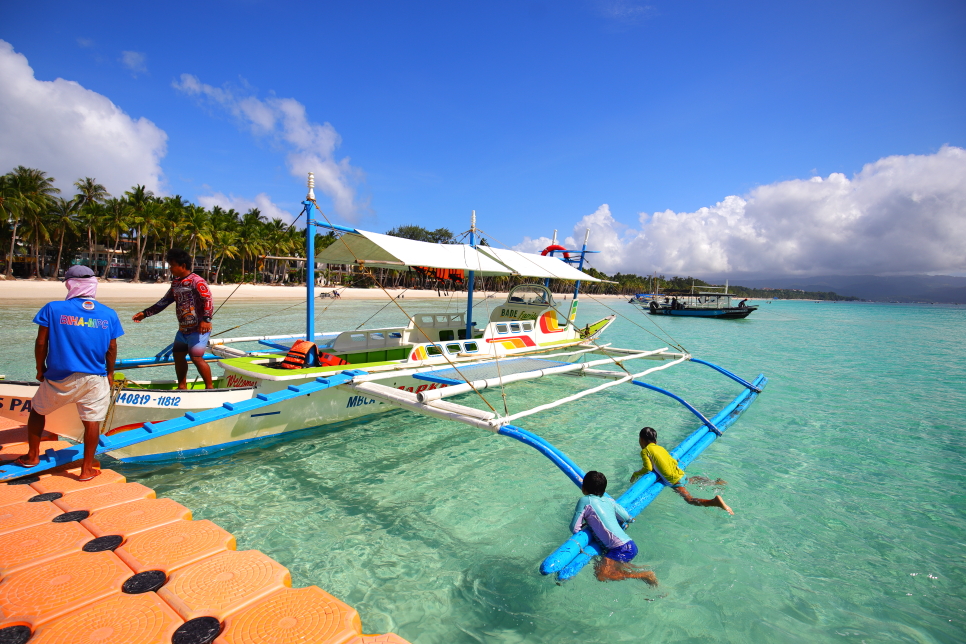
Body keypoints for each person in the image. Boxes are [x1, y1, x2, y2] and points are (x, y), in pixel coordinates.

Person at [15, 265, 124, 481]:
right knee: (91, 421)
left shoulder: (53, 309)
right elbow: (111, 348)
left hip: (59, 377)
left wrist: (40, 369)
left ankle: (32, 456)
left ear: (69, 284)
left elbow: (41, 343)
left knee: (38, 411)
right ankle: (86, 470)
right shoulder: (109, 314)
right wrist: (110, 373)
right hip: (95, 377)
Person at [132, 248, 214, 389]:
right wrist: (145, 313)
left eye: (172, 265)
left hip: (199, 329)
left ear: (182, 265)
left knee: (196, 357)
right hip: (183, 330)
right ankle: (182, 386)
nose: (170, 269)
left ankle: (210, 387)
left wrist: (206, 320)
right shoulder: (176, 283)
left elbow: (207, 299)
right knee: (178, 356)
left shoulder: (197, 281)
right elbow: (164, 301)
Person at [571, 471, 658, 584]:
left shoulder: (585, 500)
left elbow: (574, 528)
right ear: (604, 490)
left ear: (583, 488)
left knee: (602, 575)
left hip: (619, 548)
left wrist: (587, 532)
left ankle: (643, 575)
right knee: (611, 569)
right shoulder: (609, 501)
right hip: (630, 545)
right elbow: (626, 517)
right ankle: (642, 571)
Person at [630, 426, 733, 515]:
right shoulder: (660, 448)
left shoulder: (645, 451)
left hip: (674, 480)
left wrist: (636, 473)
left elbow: (648, 468)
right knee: (692, 479)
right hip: (680, 473)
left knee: (689, 499)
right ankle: (715, 482)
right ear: (655, 441)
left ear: (641, 440)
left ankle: (714, 502)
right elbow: (670, 461)